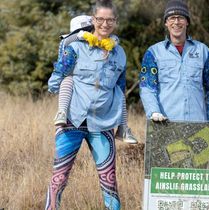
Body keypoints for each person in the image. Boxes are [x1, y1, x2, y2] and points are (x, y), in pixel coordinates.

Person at [45, 0, 125, 209]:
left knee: (109, 181)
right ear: (93, 20)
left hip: (103, 123)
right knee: (59, 178)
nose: (105, 24)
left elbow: (120, 88)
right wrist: (61, 87)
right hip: (72, 121)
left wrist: (123, 123)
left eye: (109, 20)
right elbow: (57, 78)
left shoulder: (120, 53)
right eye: (100, 19)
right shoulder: (75, 47)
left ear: (115, 22)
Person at [48, 15, 137, 144]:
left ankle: (123, 127)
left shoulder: (113, 50)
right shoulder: (74, 47)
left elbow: (119, 81)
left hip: (101, 106)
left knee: (118, 92)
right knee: (68, 79)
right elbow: (59, 73)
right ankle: (61, 112)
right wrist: (55, 86)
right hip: (75, 102)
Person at [139, 0, 209, 122]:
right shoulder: (153, 52)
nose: (176, 22)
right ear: (166, 23)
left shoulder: (203, 51)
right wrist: (154, 112)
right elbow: (147, 88)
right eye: (172, 18)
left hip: (198, 127)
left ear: (187, 22)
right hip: (165, 126)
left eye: (180, 18)